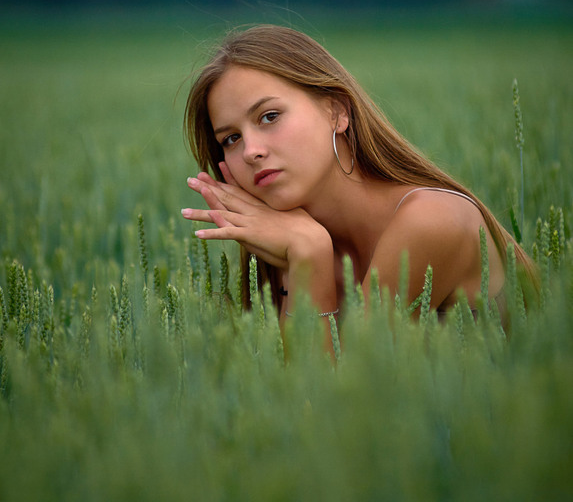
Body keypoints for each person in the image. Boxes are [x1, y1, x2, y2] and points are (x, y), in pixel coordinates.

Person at [181, 25, 536, 323]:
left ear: (337, 111)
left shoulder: (432, 220)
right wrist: (301, 257)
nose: (250, 151)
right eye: (230, 138)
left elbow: (331, 401)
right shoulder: (287, 236)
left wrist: (308, 258)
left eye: (270, 116)